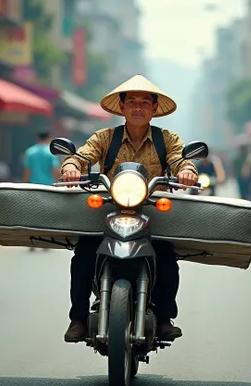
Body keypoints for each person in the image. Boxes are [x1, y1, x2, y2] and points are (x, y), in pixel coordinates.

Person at [60, 74, 199, 343]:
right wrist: (71, 166)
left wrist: (187, 171)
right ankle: (77, 318)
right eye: (131, 101)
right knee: (84, 253)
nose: (138, 107)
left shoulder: (166, 140)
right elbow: (82, 155)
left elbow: (182, 161)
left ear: (154, 109)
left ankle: (163, 319)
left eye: (145, 102)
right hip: (109, 211)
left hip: (153, 213)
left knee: (167, 255)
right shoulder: (105, 138)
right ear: (121, 107)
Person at [22, 130, 60, 252]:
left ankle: (32, 241)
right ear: (48, 138)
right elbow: (54, 170)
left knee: (32, 213)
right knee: (47, 213)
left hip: (33, 187)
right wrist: (59, 183)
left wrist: (24, 184)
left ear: (37, 138)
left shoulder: (30, 152)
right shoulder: (51, 153)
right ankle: (45, 241)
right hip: (47, 187)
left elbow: (27, 170)